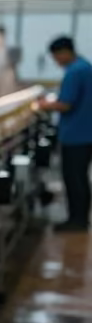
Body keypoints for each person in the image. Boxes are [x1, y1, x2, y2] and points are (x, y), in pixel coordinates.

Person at [47, 36, 92, 232]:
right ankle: (81, 218)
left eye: (56, 57)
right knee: (81, 177)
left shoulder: (74, 71)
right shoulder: (85, 67)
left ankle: (76, 221)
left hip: (76, 135)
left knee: (73, 178)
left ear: (64, 53)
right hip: (86, 133)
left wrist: (42, 105)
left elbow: (65, 104)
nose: (56, 61)